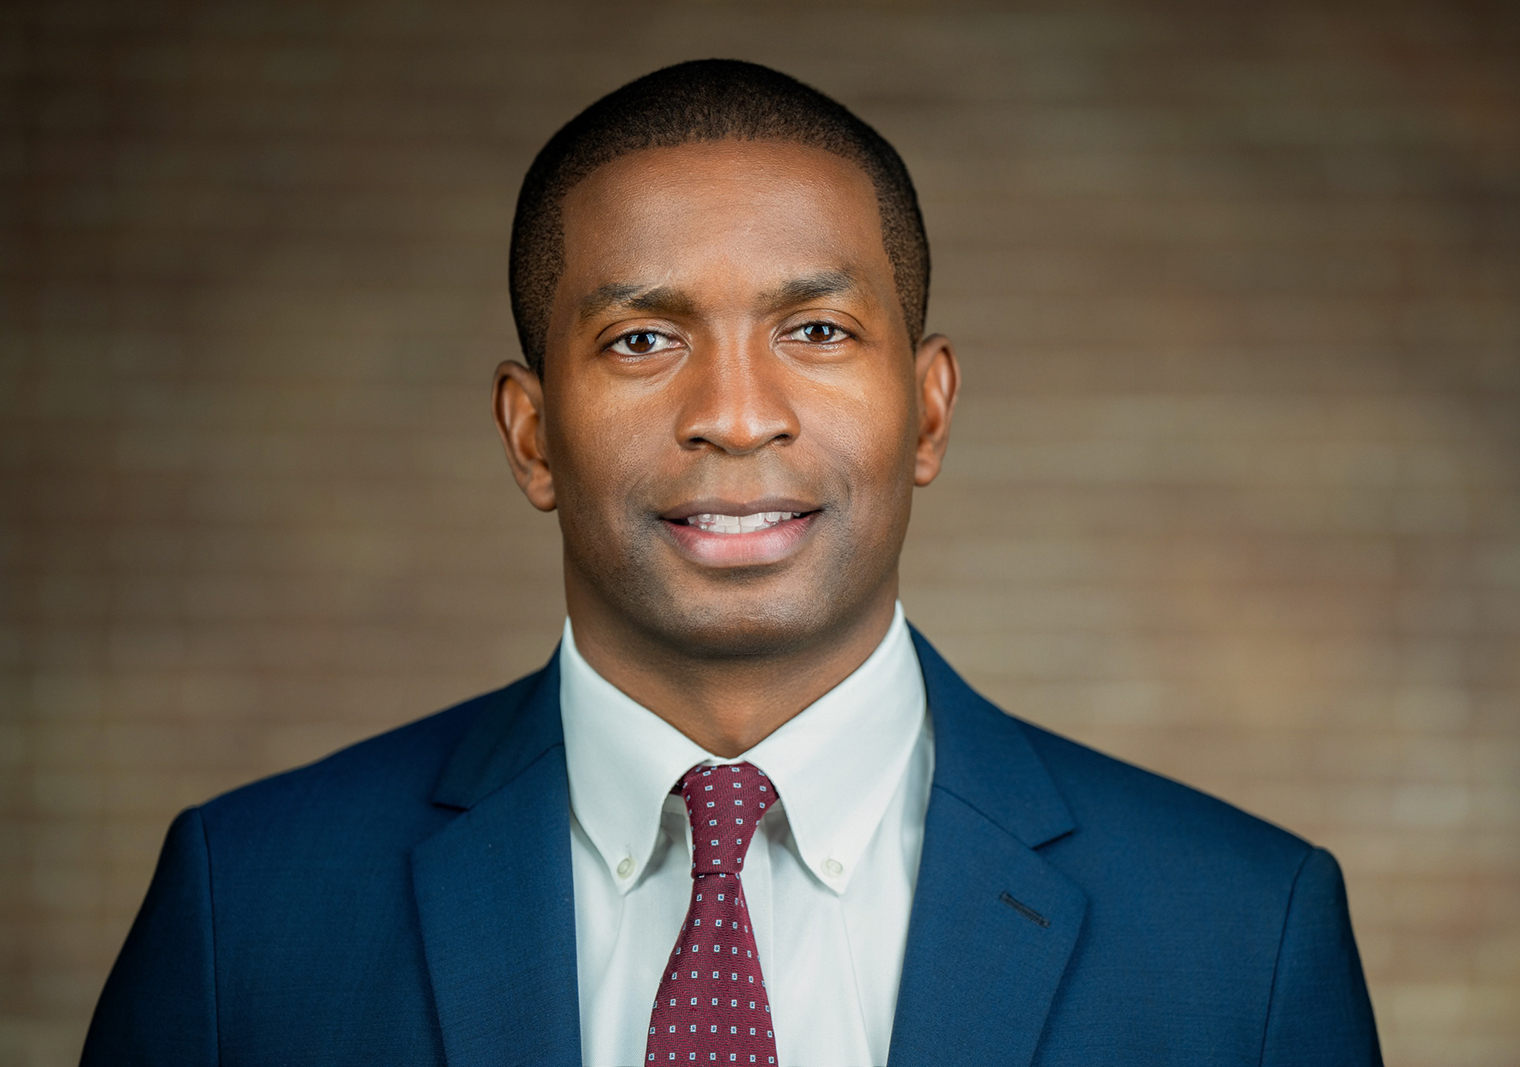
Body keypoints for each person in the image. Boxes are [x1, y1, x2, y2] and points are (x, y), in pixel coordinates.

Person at [82, 59, 1382, 1066]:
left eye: (815, 327)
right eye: (644, 342)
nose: (738, 412)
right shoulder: (245, 909)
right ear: (530, 433)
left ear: (927, 411)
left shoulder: (1241, 936)